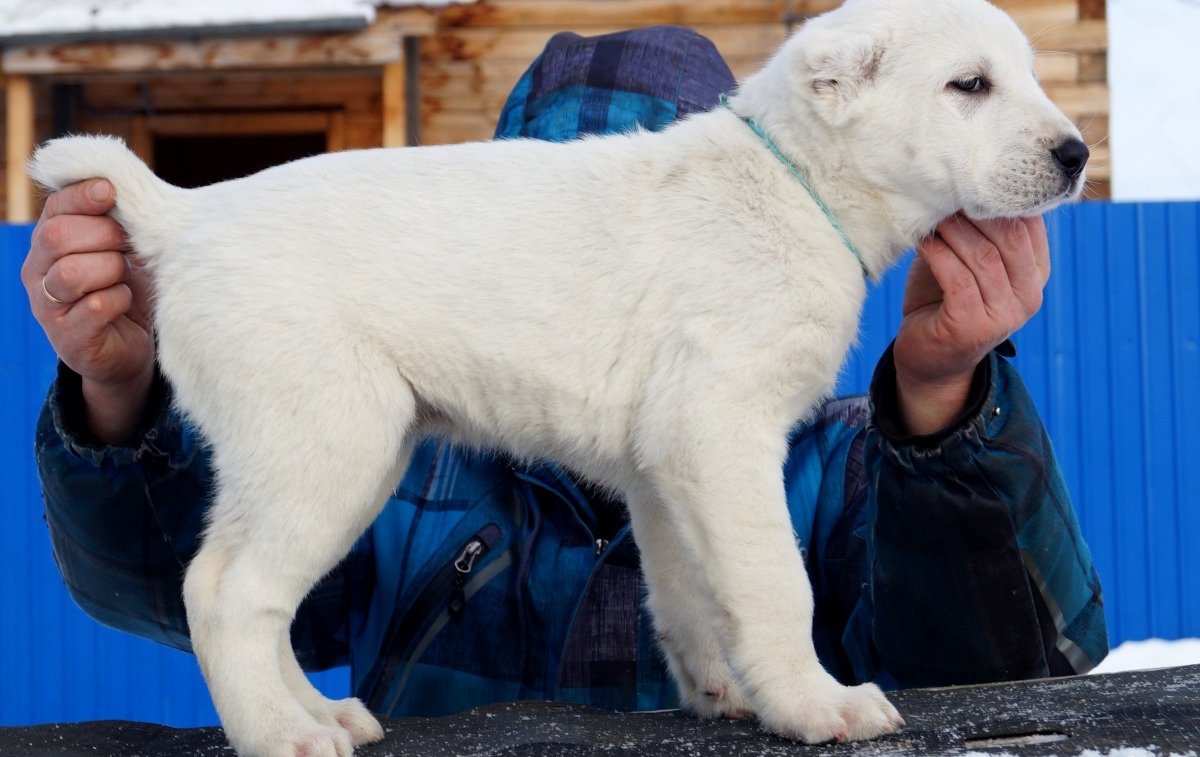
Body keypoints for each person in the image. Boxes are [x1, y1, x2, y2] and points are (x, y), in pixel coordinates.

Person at [21, 27, 1107, 718]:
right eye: (971, 85)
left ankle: (717, 670)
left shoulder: (806, 308)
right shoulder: (761, 231)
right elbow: (718, 441)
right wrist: (117, 397)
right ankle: (264, 703)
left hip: (273, 253)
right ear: (838, 86)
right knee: (272, 547)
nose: (1048, 132)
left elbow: (1022, 663)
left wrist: (942, 399)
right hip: (293, 276)